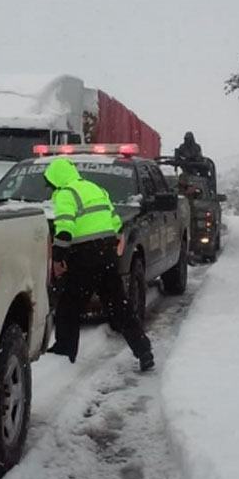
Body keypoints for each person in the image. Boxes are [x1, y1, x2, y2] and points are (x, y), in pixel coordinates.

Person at [44, 157, 155, 372]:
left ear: (56, 180)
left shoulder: (67, 193)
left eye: (49, 183)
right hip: (106, 253)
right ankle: (143, 350)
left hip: (84, 256)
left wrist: (59, 256)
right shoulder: (95, 189)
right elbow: (114, 221)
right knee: (119, 307)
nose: (48, 188)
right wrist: (110, 246)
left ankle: (65, 349)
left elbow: (65, 227)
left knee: (69, 305)